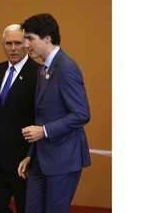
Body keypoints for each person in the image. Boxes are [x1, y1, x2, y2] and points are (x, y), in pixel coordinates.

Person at [17, 13, 91, 213]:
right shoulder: (44, 69)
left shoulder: (66, 67)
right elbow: (42, 117)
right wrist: (31, 155)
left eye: (30, 38)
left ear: (47, 38)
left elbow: (82, 113)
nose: (25, 44)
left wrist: (44, 131)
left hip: (63, 159)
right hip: (41, 159)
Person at [0, 24, 40, 213]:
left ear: (27, 44)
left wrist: (32, 155)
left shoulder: (38, 73)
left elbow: (40, 117)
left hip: (24, 161)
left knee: (26, 209)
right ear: (3, 45)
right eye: (8, 43)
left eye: (18, 43)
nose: (13, 48)